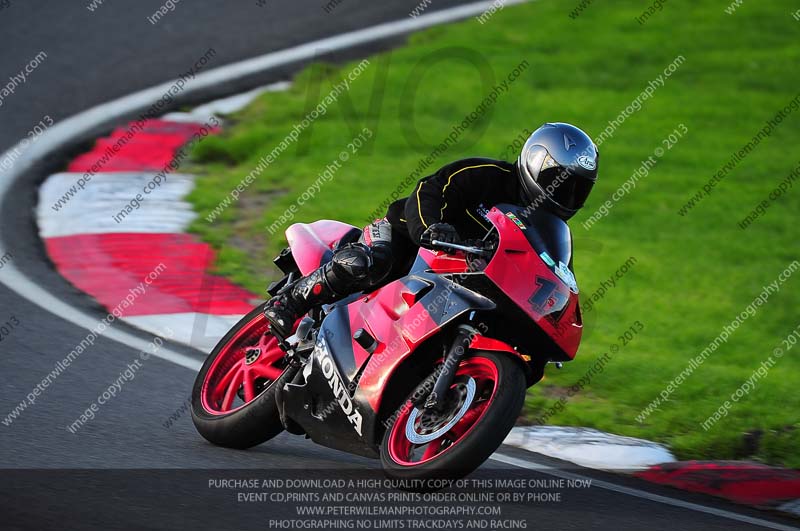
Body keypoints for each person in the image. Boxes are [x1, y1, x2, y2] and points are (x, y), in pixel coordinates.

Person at [264, 122, 599, 338]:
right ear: (534, 163)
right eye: (558, 181)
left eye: (575, 189)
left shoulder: (550, 234)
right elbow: (431, 189)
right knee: (371, 261)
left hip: (458, 282)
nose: (563, 194)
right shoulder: (490, 175)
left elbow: (552, 277)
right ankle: (290, 303)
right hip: (410, 239)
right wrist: (432, 228)